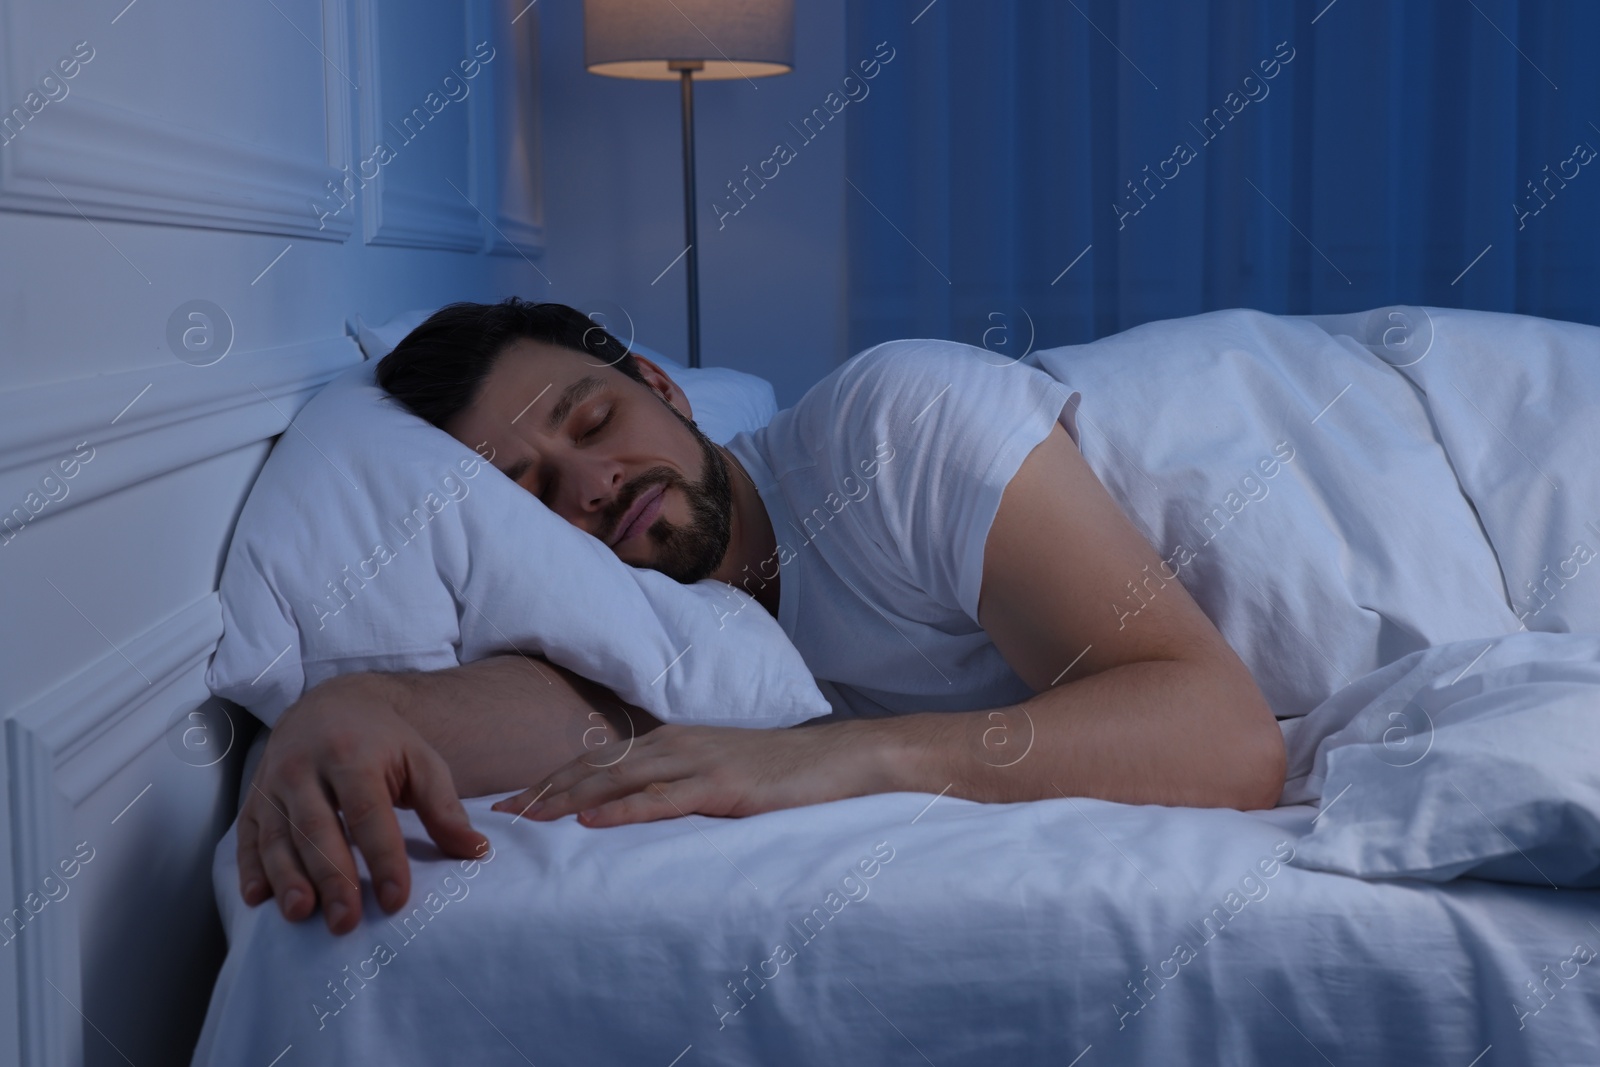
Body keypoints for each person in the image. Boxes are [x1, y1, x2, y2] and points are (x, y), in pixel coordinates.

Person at [236, 298, 1285, 935]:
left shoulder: (890, 428)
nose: (593, 482)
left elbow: (1223, 737)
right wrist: (356, 704)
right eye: (534, 493)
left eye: (594, 419)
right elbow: (580, 713)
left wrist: (845, 757)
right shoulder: (680, 636)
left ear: (663, 386)